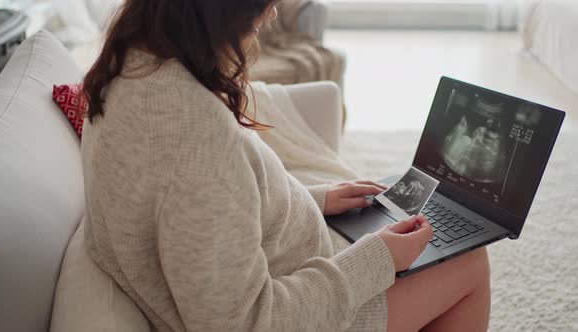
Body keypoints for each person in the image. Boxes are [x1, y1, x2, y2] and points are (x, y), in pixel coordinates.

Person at [81, 1, 491, 331]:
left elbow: (210, 213)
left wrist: (315, 200)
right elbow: (249, 322)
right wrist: (378, 258)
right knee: (469, 264)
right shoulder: (198, 140)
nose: (273, 11)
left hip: (291, 268)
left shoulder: (127, 66)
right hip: (305, 307)